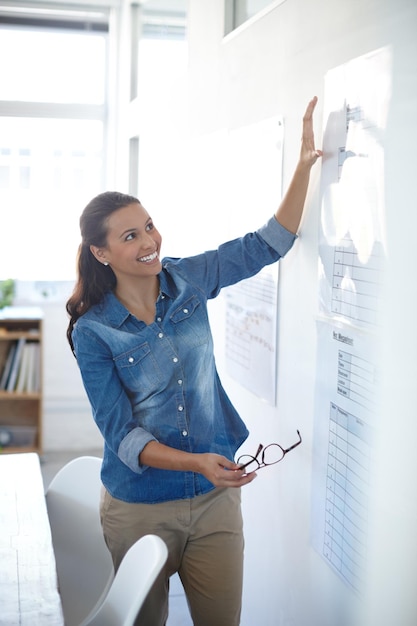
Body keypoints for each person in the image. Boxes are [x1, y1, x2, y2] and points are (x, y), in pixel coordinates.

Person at [66, 96, 322, 626]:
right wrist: (197, 461)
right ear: (101, 253)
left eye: (150, 226)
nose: (149, 241)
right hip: (139, 509)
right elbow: (123, 436)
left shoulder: (189, 280)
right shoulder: (93, 332)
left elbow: (266, 245)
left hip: (214, 503)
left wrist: (302, 166)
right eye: (130, 235)